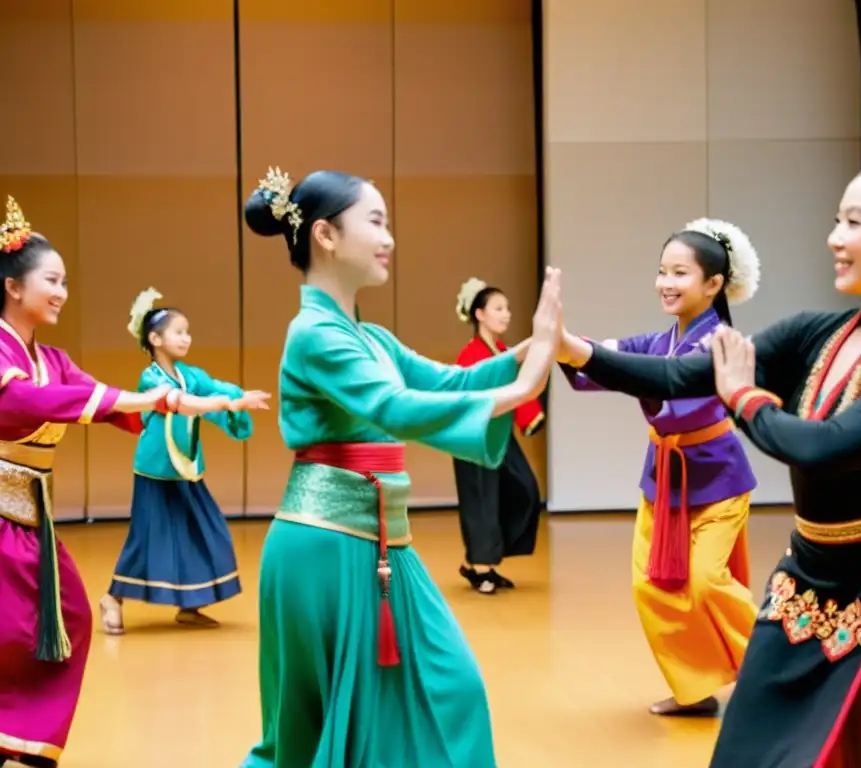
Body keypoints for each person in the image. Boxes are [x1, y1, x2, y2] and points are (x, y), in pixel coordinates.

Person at [558, 154, 861, 766]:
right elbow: (678, 373)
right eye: (836, 220)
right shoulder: (814, 334)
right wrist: (572, 348)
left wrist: (743, 396)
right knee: (753, 748)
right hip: (811, 574)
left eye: (853, 221)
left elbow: (824, 449)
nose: (835, 238)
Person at [239, 167, 561, 768]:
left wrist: (539, 346)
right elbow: (393, 407)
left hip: (386, 546)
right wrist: (523, 387)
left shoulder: (371, 338)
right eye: (377, 222)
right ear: (326, 236)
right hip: (324, 548)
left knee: (453, 688)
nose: (389, 238)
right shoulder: (312, 333)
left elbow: (452, 381)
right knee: (309, 732)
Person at [0, 196, 270, 768]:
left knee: (67, 616)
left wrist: (196, 401)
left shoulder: (53, 357)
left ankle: (21, 738)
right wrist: (141, 397)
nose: (62, 291)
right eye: (52, 279)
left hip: (31, 518)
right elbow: (26, 401)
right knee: (13, 628)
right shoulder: (6, 355)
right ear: (13, 286)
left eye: (66, 281)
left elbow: (113, 405)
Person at [559, 219, 760, 716]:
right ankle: (694, 688)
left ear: (714, 284)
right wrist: (567, 345)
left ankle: (781, 667)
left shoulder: (721, 343)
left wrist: (595, 357)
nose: (666, 283)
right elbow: (607, 363)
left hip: (717, 480)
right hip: (663, 482)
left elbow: (677, 394)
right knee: (650, 585)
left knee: (707, 582)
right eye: (662, 271)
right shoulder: (659, 340)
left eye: (680, 273)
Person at [98, 288, 268, 635]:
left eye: (188, 332)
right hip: (156, 470)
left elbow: (214, 387)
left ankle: (190, 604)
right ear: (155, 338)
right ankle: (112, 598)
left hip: (186, 467)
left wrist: (240, 396)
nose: (186, 338)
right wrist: (227, 404)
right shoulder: (153, 379)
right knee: (147, 538)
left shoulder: (188, 374)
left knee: (206, 530)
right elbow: (184, 404)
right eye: (179, 332)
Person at [452, 277, 543, 594]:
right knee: (482, 501)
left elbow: (518, 391)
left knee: (525, 490)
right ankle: (482, 569)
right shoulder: (470, 354)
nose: (506, 314)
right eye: (499, 308)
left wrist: (530, 416)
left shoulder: (503, 351)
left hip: (499, 435)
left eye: (507, 309)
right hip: (474, 439)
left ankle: (488, 559)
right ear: (479, 314)